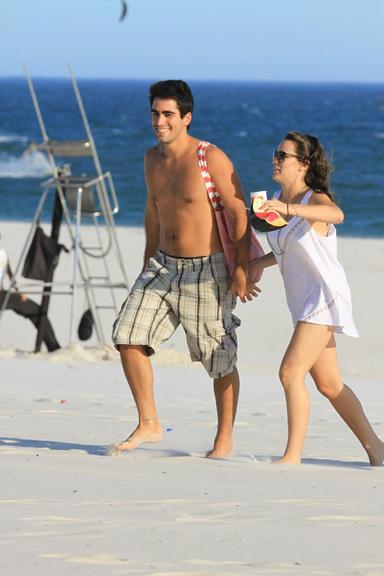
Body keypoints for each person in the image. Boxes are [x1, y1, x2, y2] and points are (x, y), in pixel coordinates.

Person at [111, 79, 259, 457]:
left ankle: (223, 440)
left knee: (218, 358)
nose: (160, 121)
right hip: (161, 267)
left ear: (186, 117)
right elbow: (152, 213)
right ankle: (149, 423)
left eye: (168, 114)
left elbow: (239, 211)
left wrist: (240, 268)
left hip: (207, 271)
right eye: (155, 113)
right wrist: (147, 259)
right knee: (127, 336)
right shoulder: (151, 159)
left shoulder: (210, 157)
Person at [253, 131, 384, 465]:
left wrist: (289, 207)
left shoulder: (313, 198)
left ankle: (292, 456)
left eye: (283, 156)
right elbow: (284, 250)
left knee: (289, 373)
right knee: (329, 384)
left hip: (324, 298)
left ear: (304, 165)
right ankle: (377, 448)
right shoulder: (279, 200)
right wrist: (252, 265)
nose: (276, 160)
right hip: (304, 303)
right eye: (276, 154)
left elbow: (337, 215)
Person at [0, 241, 60, 352]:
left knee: (37, 311)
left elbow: (11, 276)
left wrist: (18, 291)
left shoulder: (3, 254)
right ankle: (54, 347)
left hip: (3, 294)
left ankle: (54, 347)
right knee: (37, 311)